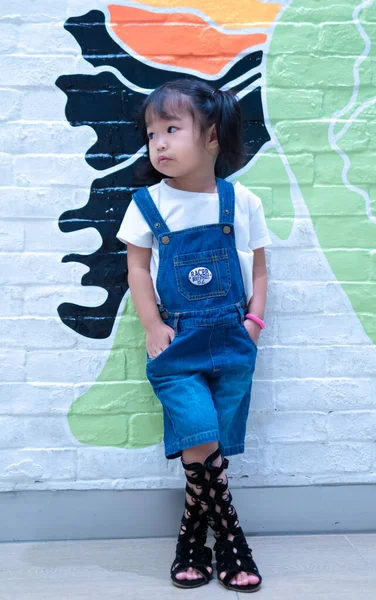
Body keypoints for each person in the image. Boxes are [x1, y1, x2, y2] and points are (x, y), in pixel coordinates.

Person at [116, 78, 270, 592]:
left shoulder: (240, 200)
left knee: (210, 448)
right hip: (175, 342)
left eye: (171, 129)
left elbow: (261, 270)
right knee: (200, 433)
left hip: (232, 339)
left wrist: (253, 324)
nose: (158, 142)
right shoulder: (146, 203)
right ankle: (232, 541)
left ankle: (190, 538)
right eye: (151, 133)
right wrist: (153, 325)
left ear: (211, 138)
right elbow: (137, 271)